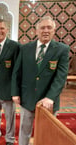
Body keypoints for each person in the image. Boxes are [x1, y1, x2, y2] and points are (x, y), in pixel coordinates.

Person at [11, 16, 70, 145]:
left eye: (49, 27)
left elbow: (61, 77)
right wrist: (15, 92)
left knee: (46, 133)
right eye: (42, 28)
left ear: (54, 30)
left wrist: (50, 97)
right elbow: (17, 72)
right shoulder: (25, 48)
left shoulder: (62, 50)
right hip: (27, 98)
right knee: (24, 130)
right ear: (36, 31)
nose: (46, 30)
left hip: (48, 101)